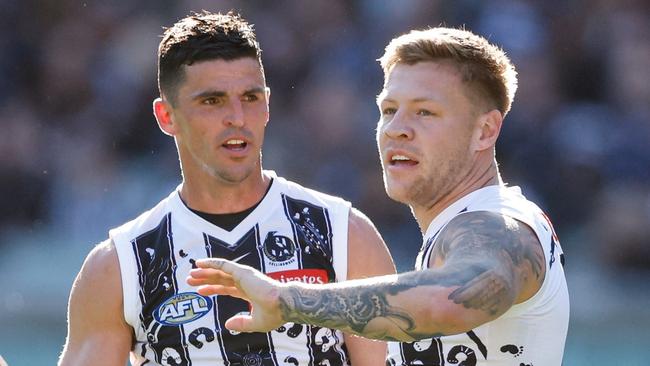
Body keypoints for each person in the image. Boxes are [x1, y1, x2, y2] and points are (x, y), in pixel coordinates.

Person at [188, 27, 570, 366]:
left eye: (425, 112)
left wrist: (285, 299)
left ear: (485, 131)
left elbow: (450, 299)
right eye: (388, 110)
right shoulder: (453, 232)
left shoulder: (498, 224)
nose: (396, 130)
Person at [59, 11, 395, 366]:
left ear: (267, 103)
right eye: (212, 101)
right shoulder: (121, 264)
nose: (237, 116)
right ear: (166, 116)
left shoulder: (342, 234)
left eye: (250, 98)